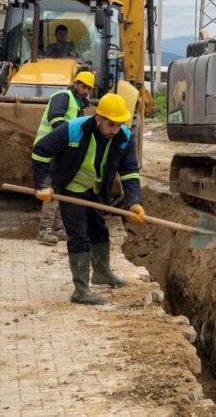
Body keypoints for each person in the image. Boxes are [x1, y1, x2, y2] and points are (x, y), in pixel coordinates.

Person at [31, 93, 146, 305]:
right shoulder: (74, 129)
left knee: (99, 229)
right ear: (98, 118)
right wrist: (43, 185)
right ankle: (81, 290)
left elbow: (129, 171)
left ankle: (101, 273)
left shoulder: (124, 137)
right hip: (71, 188)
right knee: (79, 235)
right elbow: (40, 151)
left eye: (119, 124)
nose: (115, 129)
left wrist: (134, 201)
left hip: (96, 190)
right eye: (111, 124)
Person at [34, 71, 96, 245]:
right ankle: (45, 229)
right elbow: (56, 119)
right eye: (83, 86)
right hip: (50, 147)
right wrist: (68, 141)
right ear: (75, 83)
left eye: (88, 88)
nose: (85, 91)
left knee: (61, 187)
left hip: (61, 150)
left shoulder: (77, 103)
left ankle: (56, 227)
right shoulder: (63, 96)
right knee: (53, 188)